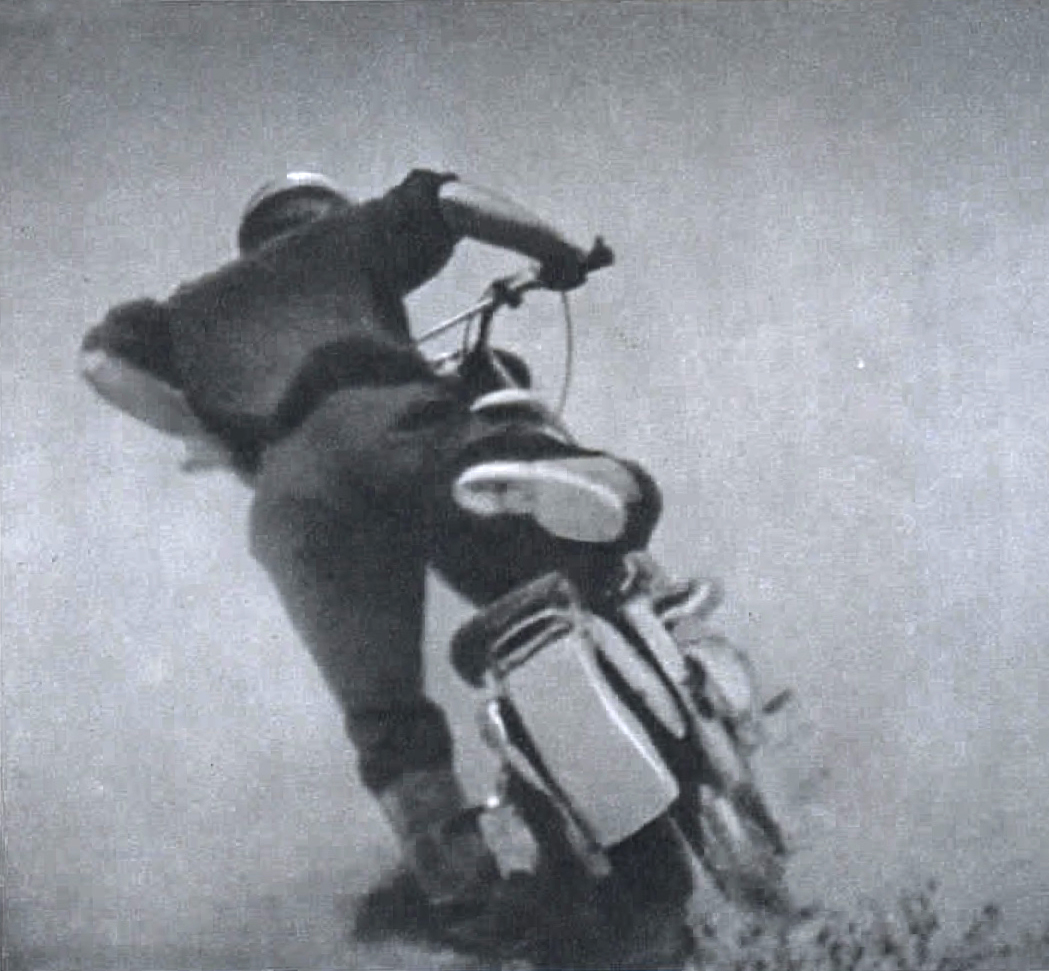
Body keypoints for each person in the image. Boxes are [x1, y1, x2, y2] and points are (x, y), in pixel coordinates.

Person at [79, 169, 691, 959]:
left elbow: (99, 362)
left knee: (385, 717)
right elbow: (449, 198)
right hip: (389, 424)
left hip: (291, 501)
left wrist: (212, 436)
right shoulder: (340, 237)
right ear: (318, 213)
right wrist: (560, 252)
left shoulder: (184, 311)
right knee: (551, 528)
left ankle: (472, 901)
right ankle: (575, 491)